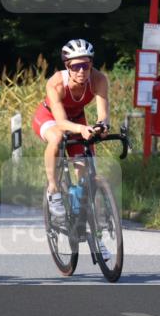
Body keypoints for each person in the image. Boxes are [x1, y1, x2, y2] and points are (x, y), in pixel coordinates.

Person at [30, 39, 110, 220]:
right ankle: (53, 190)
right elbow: (61, 122)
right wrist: (82, 128)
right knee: (57, 138)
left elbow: (103, 114)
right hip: (50, 117)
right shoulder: (56, 83)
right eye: (75, 66)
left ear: (91, 64)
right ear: (67, 66)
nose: (81, 70)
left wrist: (101, 126)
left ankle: (80, 215)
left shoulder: (99, 79)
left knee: (86, 170)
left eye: (86, 65)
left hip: (77, 119)